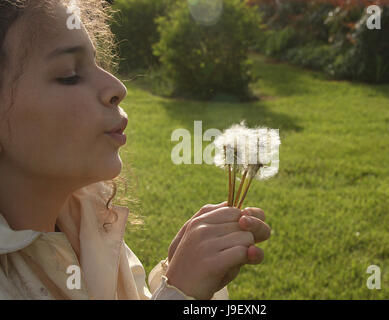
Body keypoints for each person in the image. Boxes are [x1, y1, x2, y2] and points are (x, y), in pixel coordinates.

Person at [0, 0, 271, 300]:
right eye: (69, 74)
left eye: (97, 63)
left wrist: (178, 274)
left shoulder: (88, 221)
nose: (118, 87)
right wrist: (181, 291)